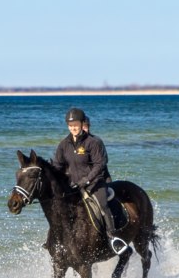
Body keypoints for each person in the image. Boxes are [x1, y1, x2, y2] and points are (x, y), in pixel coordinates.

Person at [53, 107, 128, 255]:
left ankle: (113, 238)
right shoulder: (63, 144)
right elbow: (58, 165)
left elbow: (100, 164)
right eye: (71, 125)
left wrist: (86, 181)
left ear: (82, 124)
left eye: (76, 125)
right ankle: (55, 238)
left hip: (95, 184)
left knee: (102, 206)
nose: (73, 128)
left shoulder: (93, 142)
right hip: (73, 185)